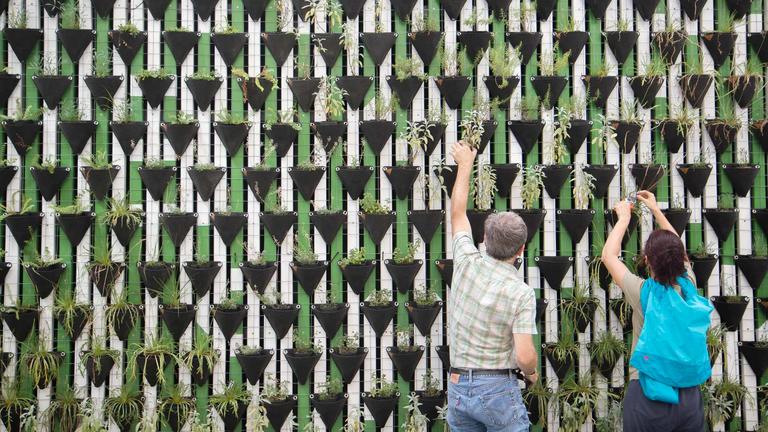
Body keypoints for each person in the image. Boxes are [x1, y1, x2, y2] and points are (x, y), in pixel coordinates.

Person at [446, 141, 538, 432]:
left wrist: (465, 165)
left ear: (484, 238)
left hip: (458, 387)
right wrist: (532, 372)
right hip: (497, 388)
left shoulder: (466, 261)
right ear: (521, 249)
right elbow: (524, 356)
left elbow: (458, 213)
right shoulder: (521, 293)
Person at [601, 190, 712, 432]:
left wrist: (623, 219)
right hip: (689, 397)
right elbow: (678, 249)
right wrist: (655, 209)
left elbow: (608, 256)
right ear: (680, 260)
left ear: (647, 261)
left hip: (647, 395)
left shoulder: (644, 294)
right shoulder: (688, 286)